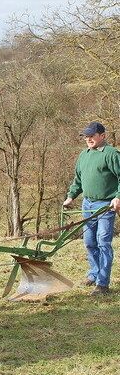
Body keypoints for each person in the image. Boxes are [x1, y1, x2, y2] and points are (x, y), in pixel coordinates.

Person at [63, 121, 120, 295]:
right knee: (89, 242)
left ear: (102, 136)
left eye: (91, 136)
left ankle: (102, 284)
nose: (88, 139)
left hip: (105, 205)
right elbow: (78, 180)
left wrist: (117, 197)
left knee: (103, 242)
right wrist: (71, 196)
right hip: (87, 204)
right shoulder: (84, 155)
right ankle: (94, 274)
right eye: (86, 136)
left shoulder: (111, 154)